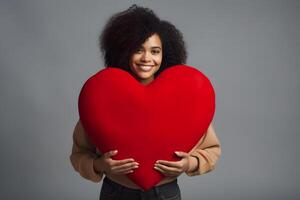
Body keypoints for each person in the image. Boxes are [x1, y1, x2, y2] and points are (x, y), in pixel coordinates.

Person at [70, 4, 222, 200]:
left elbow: (211, 150)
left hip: (165, 194)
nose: (146, 58)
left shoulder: (184, 95)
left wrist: (189, 164)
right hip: (116, 193)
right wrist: (100, 165)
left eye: (155, 51)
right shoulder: (102, 94)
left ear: (164, 54)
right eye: (138, 50)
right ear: (124, 51)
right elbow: (79, 154)